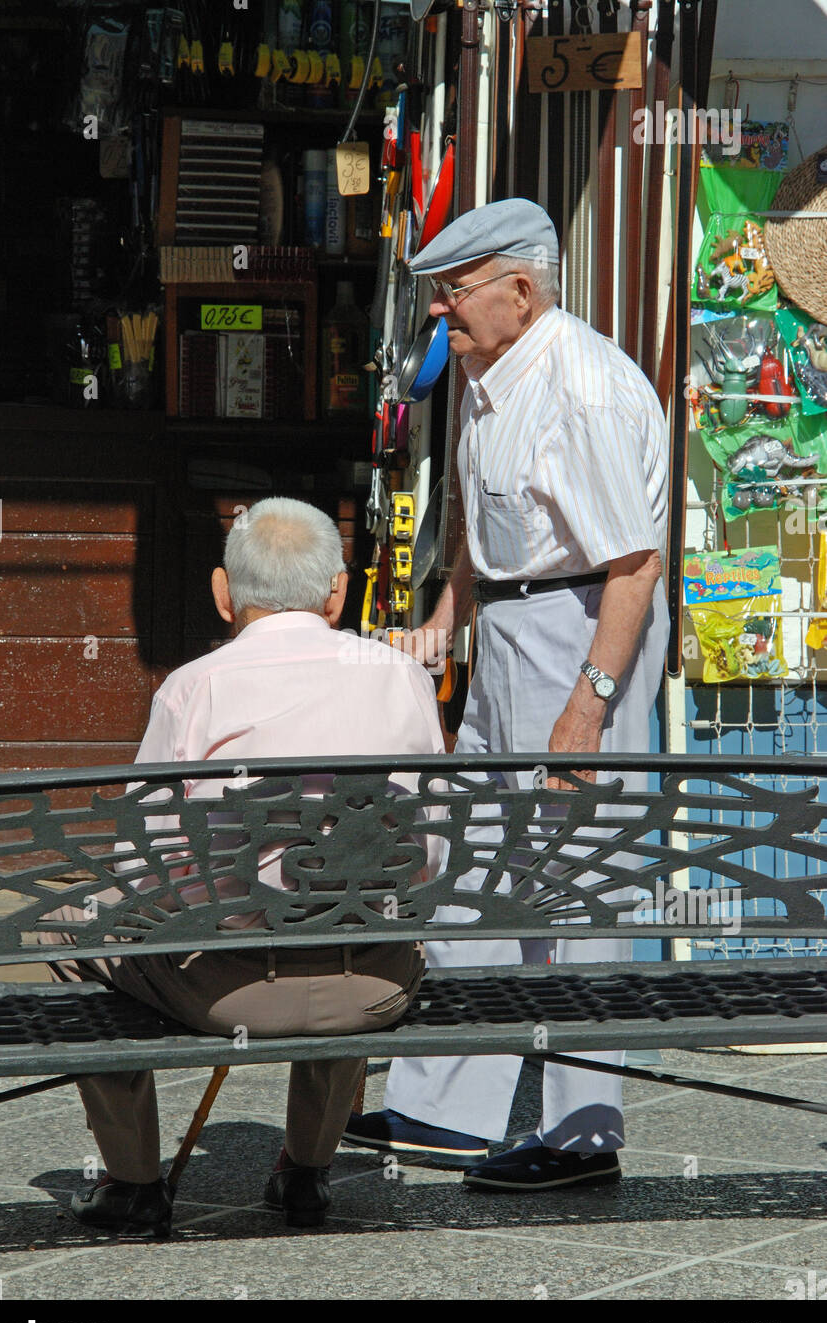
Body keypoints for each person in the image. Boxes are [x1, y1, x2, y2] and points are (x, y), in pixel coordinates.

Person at [344, 198, 670, 1192]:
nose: (441, 313)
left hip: (583, 626)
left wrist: (591, 702)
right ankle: (442, 1107)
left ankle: (582, 1137)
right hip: (518, 627)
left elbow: (634, 567)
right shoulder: (490, 372)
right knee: (478, 857)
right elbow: (479, 524)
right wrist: (449, 617)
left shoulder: (584, 390)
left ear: (520, 291)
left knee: (578, 880)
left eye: (455, 294)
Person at [41, 497, 446, 1234]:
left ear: (224, 592)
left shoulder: (195, 688)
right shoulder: (402, 677)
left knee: (65, 926)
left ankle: (133, 1184)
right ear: (337, 591)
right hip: (377, 983)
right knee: (348, 900)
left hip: (229, 993)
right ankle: (306, 1176)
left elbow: (144, 868)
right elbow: (432, 853)